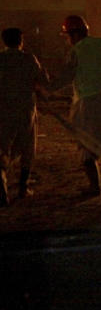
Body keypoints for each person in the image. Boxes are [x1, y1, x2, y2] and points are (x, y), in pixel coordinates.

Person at [48, 15, 101, 195]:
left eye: (67, 36)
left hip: (88, 101)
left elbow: (67, 77)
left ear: (74, 34)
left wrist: (47, 88)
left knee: (86, 141)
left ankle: (94, 186)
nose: (67, 40)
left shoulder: (77, 51)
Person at [0, 27, 48, 205]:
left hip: (3, 109)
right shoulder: (28, 59)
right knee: (27, 146)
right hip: (25, 109)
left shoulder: (1, 59)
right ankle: (22, 187)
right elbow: (43, 80)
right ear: (20, 41)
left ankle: (2, 184)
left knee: (2, 146)